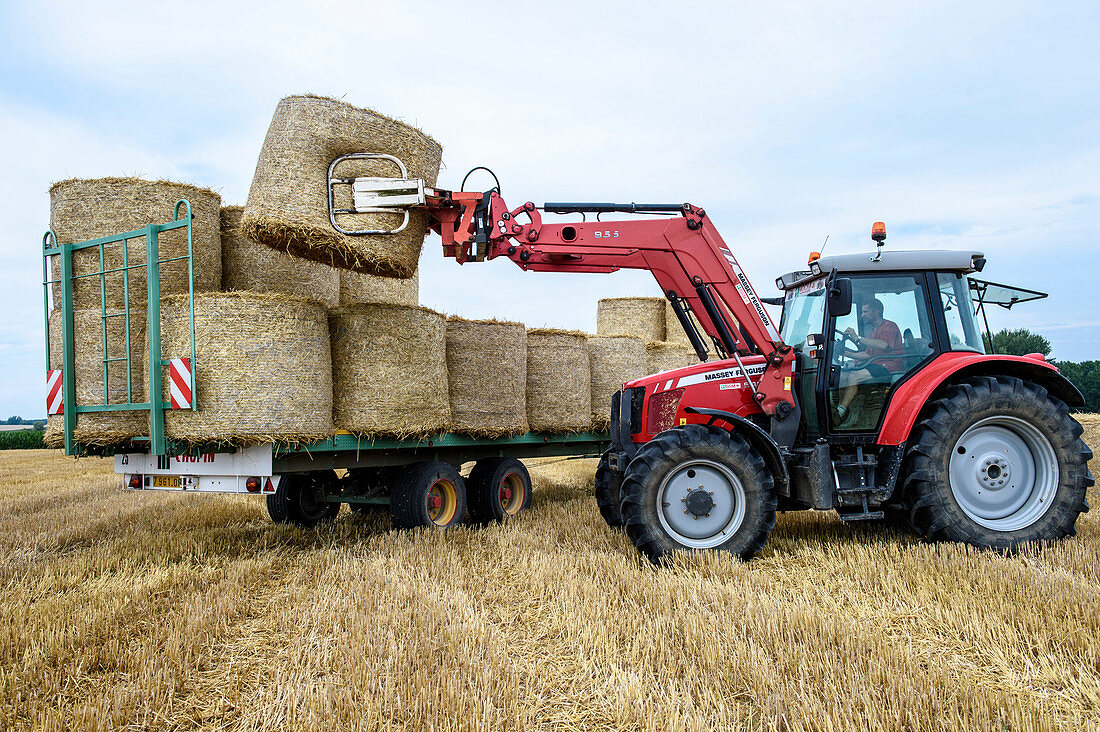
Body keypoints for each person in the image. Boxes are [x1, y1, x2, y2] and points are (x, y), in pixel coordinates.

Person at [836, 298, 903, 424]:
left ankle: (840, 411)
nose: (862, 315)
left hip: (889, 366)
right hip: (876, 364)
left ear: (876, 312)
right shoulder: (873, 332)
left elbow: (883, 345)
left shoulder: (890, 327)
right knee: (844, 376)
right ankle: (847, 413)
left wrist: (858, 338)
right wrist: (844, 352)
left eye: (865, 312)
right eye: (862, 312)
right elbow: (867, 355)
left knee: (855, 376)